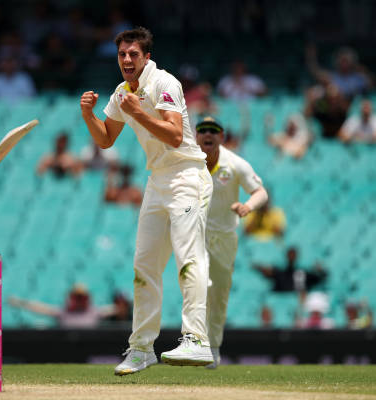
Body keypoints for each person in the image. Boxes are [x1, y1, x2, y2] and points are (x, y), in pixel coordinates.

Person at [80, 27, 214, 376]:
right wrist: (88, 116)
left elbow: (173, 136)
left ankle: (197, 340)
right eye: (122, 54)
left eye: (133, 54)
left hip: (187, 175)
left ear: (146, 57)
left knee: (189, 257)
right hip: (157, 181)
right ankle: (141, 349)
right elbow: (106, 139)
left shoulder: (164, 83)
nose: (126, 59)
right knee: (144, 265)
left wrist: (138, 113)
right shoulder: (122, 92)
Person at [195, 116, 268, 369]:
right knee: (196, 286)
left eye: (213, 131)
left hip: (225, 237)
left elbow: (261, 192)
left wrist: (247, 206)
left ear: (221, 136)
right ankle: (196, 344)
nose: (208, 134)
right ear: (196, 136)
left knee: (219, 293)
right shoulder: (187, 162)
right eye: (202, 130)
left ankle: (213, 347)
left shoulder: (235, 164)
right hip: (196, 234)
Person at [8, 283, 118, 329]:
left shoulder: (94, 311)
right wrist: (21, 303)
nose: (79, 300)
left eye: (82, 297)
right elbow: (41, 308)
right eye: (77, 297)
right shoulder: (63, 311)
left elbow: (116, 309)